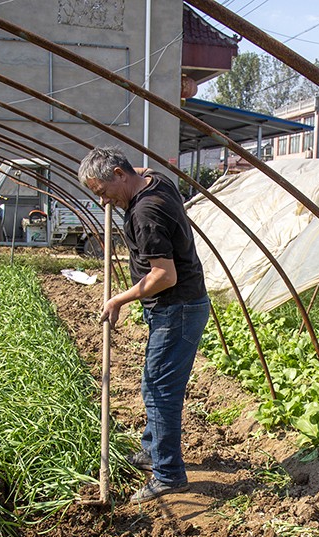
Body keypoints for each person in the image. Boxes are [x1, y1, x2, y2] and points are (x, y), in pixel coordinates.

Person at [78, 146, 210, 503]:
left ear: (121, 175)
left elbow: (165, 275)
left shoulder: (146, 211)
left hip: (176, 307)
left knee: (160, 389)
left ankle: (168, 474)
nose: (104, 202)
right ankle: (153, 450)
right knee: (154, 383)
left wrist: (118, 299)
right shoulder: (155, 181)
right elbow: (142, 167)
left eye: (103, 192)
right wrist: (111, 185)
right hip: (177, 307)